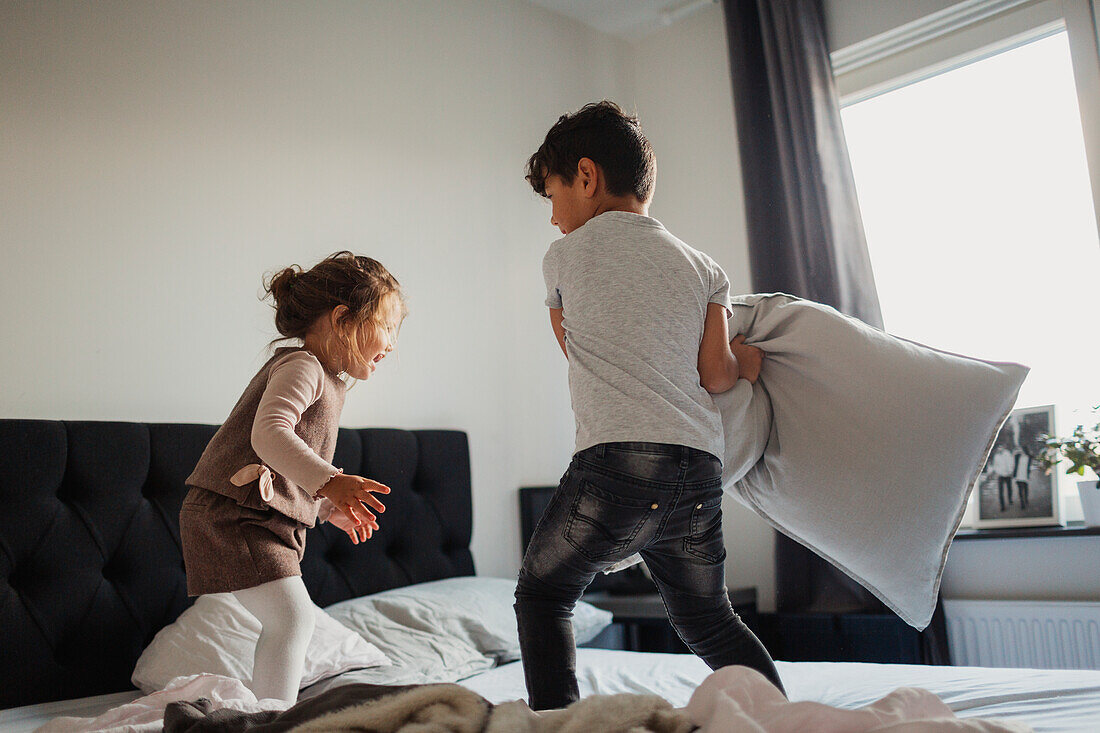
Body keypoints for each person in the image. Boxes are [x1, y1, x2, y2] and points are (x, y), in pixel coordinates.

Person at [514, 101, 784, 711]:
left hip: (614, 462)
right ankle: (780, 719)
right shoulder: (703, 266)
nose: (554, 219)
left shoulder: (563, 257)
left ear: (586, 177)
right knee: (708, 619)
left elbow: (573, 349)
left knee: (543, 595)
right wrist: (749, 363)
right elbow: (716, 377)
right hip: (695, 470)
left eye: (553, 196)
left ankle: (559, 725)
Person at [179, 251, 405, 702]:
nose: (394, 343)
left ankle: (273, 712)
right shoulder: (303, 366)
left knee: (291, 620)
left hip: (253, 514)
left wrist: (324, 507)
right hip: (232, 515)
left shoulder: (328, 380)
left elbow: (285, 467)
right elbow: (269, 435)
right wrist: (332, 482)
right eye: (389, 325)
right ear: (343, 318)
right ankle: (275, 717)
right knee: (293, 619)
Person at [991, 445, 1015, 511]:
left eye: (1001, 447)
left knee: (1009, 488)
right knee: (1000, 491)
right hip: (1000, 475)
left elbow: (1011, 462)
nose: (999, 449)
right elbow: (995, 465)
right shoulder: (996, 456)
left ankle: (1010, 499)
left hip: (1008, 474)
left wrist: (1010, 471)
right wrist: (998, 472)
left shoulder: (1007, 454)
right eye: (998, 448)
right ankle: (1002, 506)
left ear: (1003, 448)